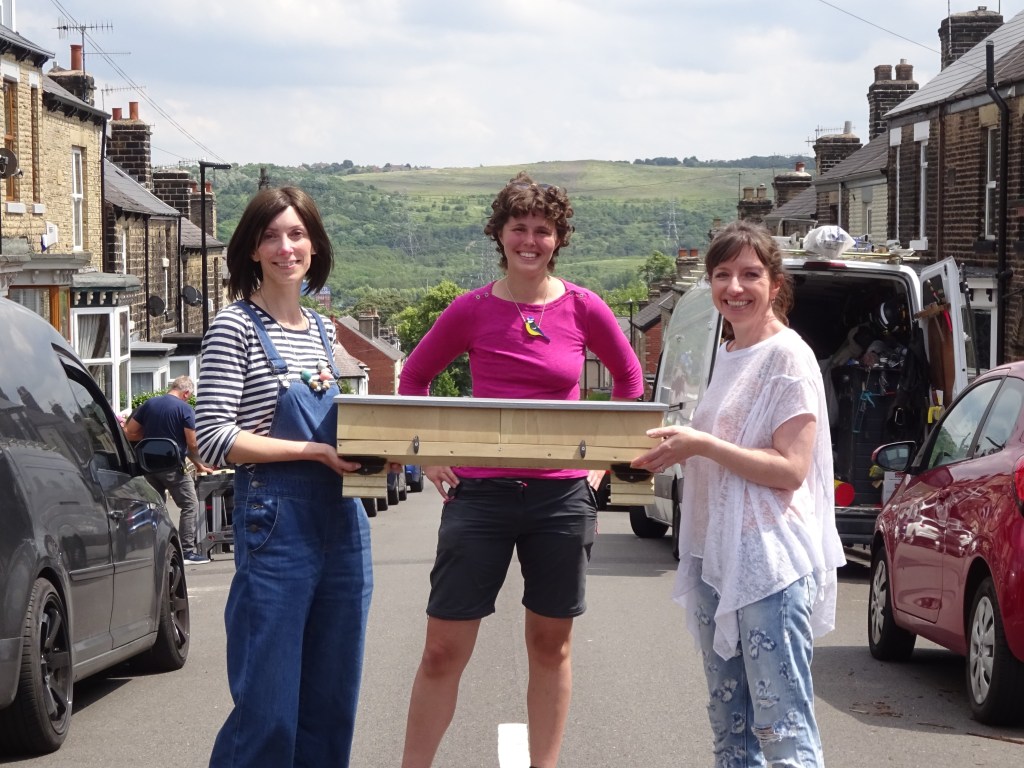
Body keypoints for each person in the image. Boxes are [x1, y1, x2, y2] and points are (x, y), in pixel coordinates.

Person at [398, 172, 644, 768]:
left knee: (550, 646)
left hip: (561, 499)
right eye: (519, 229)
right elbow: (413, 380)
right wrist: (430, 457)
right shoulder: (471, 309)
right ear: (500, 235)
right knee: (441, 649)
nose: (530, 240)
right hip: (479, 496)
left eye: (543, 230)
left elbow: (631, 382)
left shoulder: (584, 307)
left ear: (558, 239)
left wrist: (600, 467)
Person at [631, 220, 846, 767]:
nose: (735, 287)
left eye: (750, 274)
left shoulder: (788, 357)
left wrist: (701, 444)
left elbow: (790, 469)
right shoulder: (728, 351)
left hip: (769, 565)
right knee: (731, 731)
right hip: (716, 559)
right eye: (722, 274)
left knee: (783, 731)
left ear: (775, 283)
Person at [195, 186, 373, 768]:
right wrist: (312, 452)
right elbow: (217, 437)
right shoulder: (234, 327)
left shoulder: (322, 331)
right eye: (270, 236)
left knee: (329, 703)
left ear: (314, 248)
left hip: (341, 521)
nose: (284, 247)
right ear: (250, 249)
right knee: (268, 708)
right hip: (274, 520)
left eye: (296, 235)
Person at [124, 375, 213, 564]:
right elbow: (192, 443)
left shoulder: (149, 404)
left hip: (148, 465)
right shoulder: (185, 409)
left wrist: (197, 465)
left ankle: (156, 549)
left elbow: (129, 432)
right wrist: (204, 457)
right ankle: (187, 551)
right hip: (172, 467)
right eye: (188, 396)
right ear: (186, 392)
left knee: (157, 507)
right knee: (190, 505)